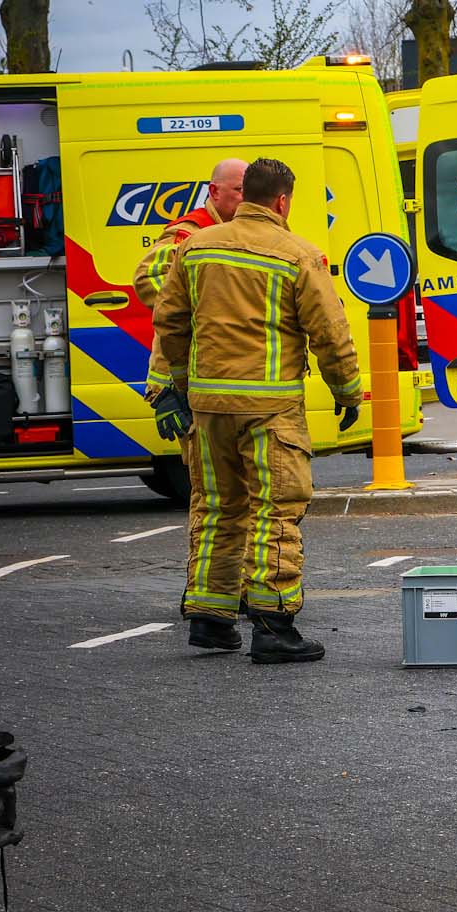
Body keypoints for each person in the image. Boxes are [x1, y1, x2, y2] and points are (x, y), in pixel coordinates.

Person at [152, 157, 364, 662]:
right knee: (275, 512)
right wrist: (347, 390)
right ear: (283, 200)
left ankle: (209, 618)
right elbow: (329, 333)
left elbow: (170, 321)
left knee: (216, 508)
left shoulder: (195, 248)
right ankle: (272, 627)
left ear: (242, 193)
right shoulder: (298, 254)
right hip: (269, 411)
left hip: (207, 407)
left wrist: (175, 385)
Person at [135, 158, 246, 571]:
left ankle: (228, 586)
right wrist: (208, 303)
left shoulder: (245, 231)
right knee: (212, 500)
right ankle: (208, 588)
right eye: (237, 190)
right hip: (195, 388)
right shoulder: (189, 232)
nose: (245, 197)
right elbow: (148, 280)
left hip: (230, 385)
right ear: (214, 192)